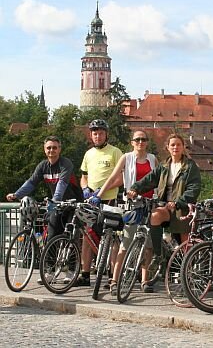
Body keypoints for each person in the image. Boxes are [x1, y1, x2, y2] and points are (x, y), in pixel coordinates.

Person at [127, 133, 201, 290]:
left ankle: (187, 277)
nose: (175, 147)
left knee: (184, 244)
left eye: (178, 145)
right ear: (167, 147)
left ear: (183, 147)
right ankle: (158, 255)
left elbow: (194, 187)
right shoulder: (164, 166)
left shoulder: (190, 166)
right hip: (166, 206)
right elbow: (150, 179)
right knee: (155, 215)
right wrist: (135, 188)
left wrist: (179, 202)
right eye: (172, 145)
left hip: (182, 209)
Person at [89, 130, 158, 295]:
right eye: (137, 139)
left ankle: (144, 280)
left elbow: (157, 180)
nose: (140, 142)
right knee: (126, 242)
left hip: (150, 203)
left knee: (148, 245)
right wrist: (99, 195)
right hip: (132, 204)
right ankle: (115, 280)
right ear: (132, 142)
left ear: (147, 142)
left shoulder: (152, 159)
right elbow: (113, 177)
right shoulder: (126, 158)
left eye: (143, 139)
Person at [6, 136, 82, 285]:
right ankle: (49, 272)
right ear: (45, 149)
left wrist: (55, 199)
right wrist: (17, 194)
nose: (51, 150)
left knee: (71, 236)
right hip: (58, 205)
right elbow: (32, 182)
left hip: (73, 204)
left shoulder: (65, 164)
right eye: (49, 148)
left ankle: (71, 270)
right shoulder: (43, 166)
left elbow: (62, 183)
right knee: (51, 236)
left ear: (60, 149)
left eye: (54, 147)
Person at [77, 119, 123, 287]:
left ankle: (112, 277)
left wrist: (102, 190)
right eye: (95, 133)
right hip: (91, 200)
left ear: (106, 135)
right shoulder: (88, 154)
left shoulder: (115, 152)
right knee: (87, 236)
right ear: (91, 135)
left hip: (109, 199)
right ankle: (85, 274)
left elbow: (121, 178)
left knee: (109, 238)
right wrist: (85, 188)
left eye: (101, 133)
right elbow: (84, 175)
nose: (98, 136)